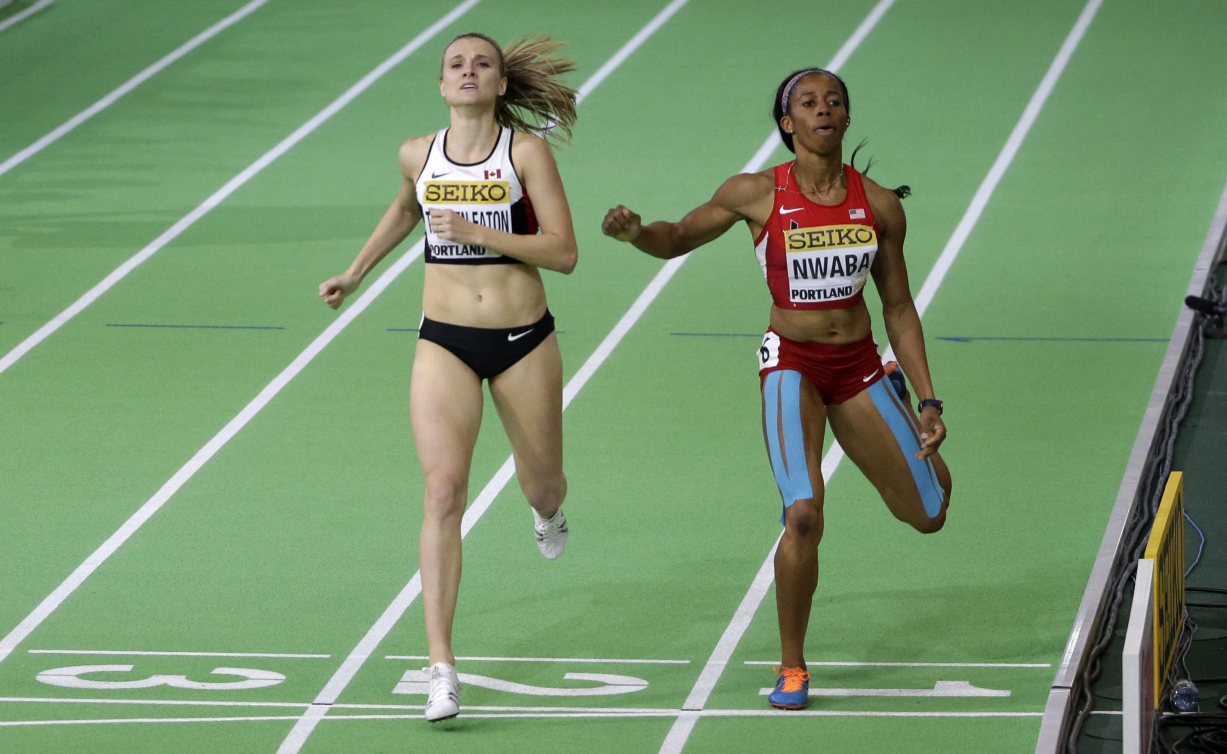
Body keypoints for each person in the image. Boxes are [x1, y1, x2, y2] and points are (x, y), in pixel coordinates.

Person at [602, 67, 952, 711]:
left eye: (835, 101)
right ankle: (793, 667)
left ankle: (897, 406)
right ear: (787, 123)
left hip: (860, 369)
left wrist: (928, 401)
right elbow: (676, 238)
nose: (824, 110)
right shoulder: (755, 194)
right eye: (808, 103)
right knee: (803, 513)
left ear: (847, 119)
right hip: (790, 364)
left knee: (929, 514)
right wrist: (634, 233)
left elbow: (898, 306)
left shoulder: (878, 205)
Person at [319, 32, 579, 723]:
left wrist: (479, 231)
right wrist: (356, 271)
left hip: (523, 339)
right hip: (444, 340)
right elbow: (408, 207)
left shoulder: (524, 153)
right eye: (456, 65)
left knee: (541, 481)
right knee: (442, 493)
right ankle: (442, 667)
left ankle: (548, 509)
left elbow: (563, 252)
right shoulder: (417, 153)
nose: (468, 72)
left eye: (481, 64)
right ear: (441, 85)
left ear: (498, 85)